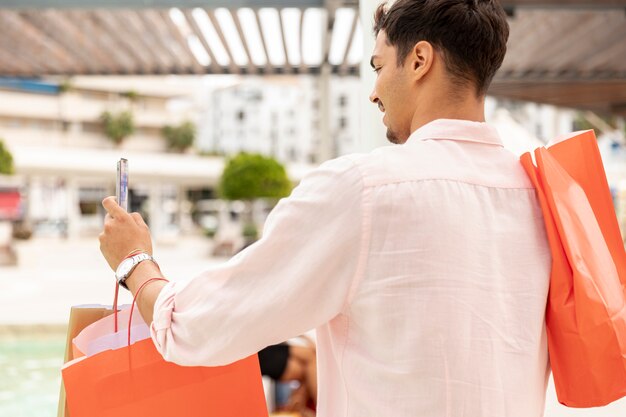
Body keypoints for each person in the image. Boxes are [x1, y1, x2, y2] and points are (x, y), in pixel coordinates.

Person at [99, 1, 551, 416]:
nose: (373, 92)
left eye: (378, 67)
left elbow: (197, 327)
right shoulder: (542, 196)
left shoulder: (362, 190)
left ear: (419, 60)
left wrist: (134, 261)